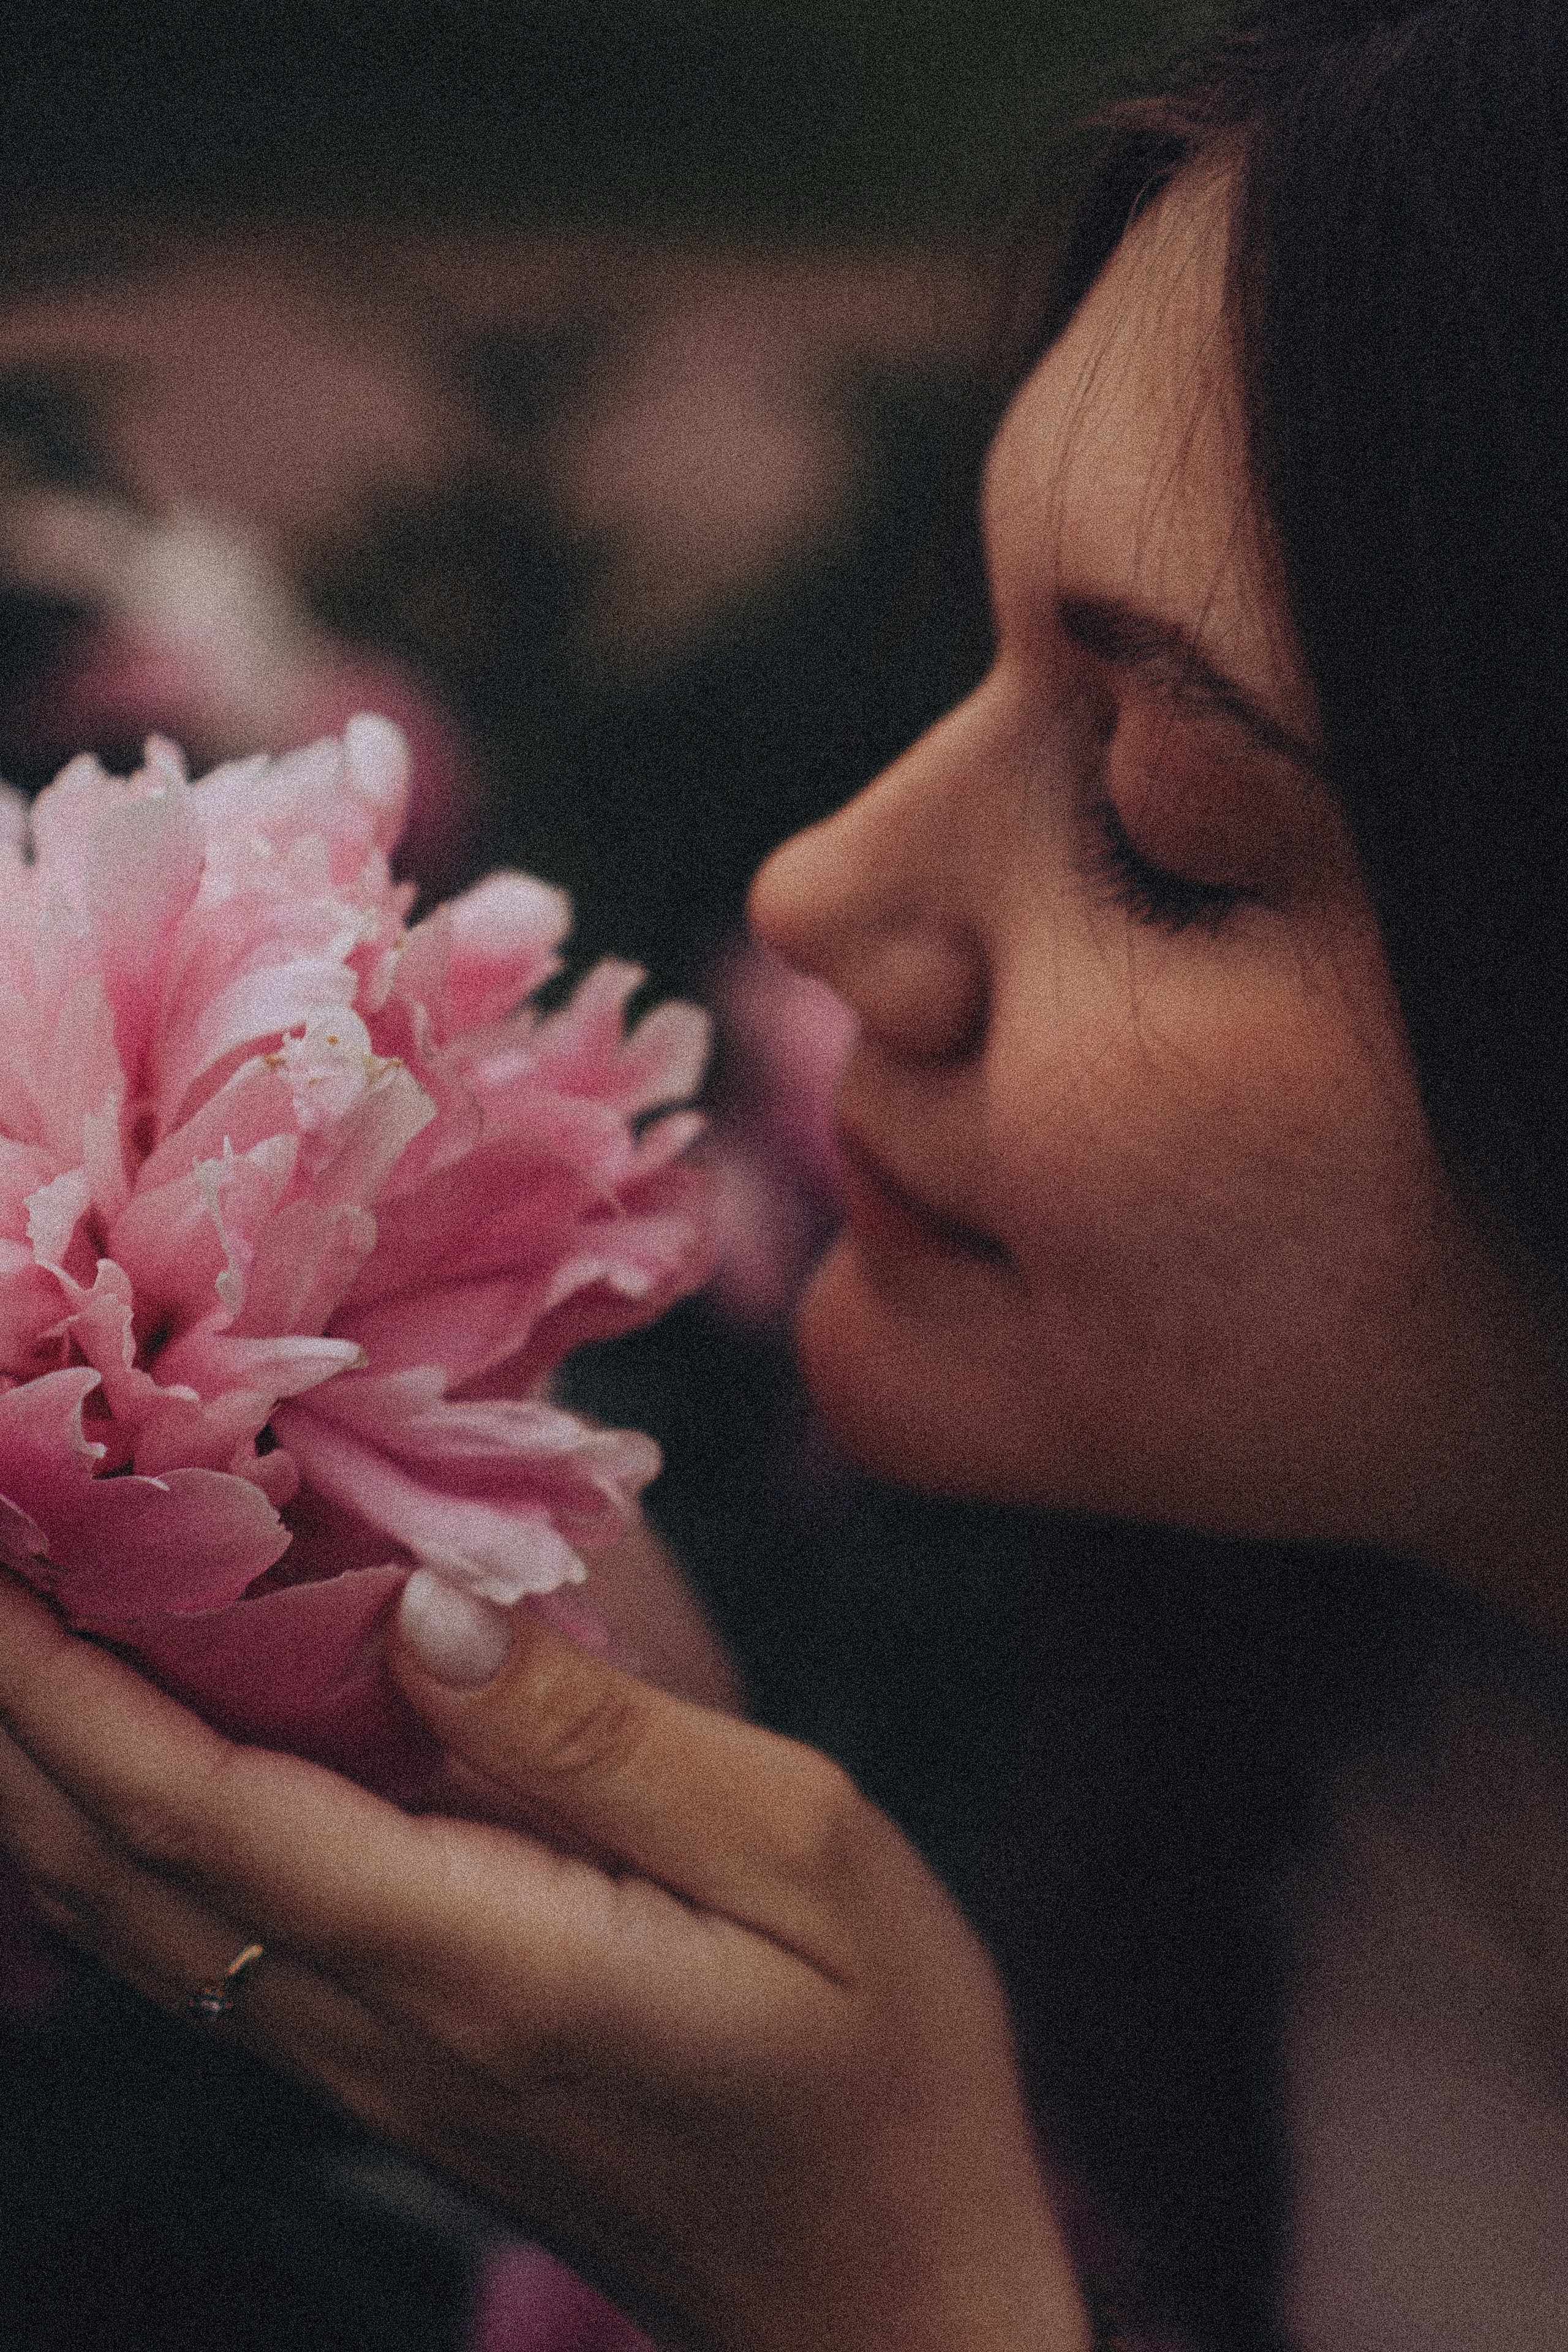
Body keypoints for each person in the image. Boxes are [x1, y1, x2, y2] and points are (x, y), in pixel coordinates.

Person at [3, 1, 1568, 2344]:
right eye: (983, 663)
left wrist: (876, 2281)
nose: (817, 890)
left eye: (1163, 823)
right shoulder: (1366, 1734)